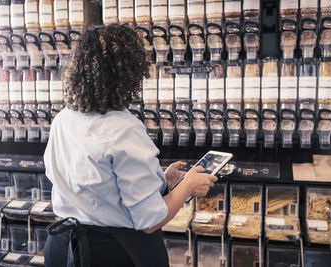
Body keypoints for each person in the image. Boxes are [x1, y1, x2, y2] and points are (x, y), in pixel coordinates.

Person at [43, 24, 217, 267]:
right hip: (113, 253)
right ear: (128, 72)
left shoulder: (63, 118)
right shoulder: (123, 128)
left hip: (63, 249)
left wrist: (162, 181)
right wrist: (187, 187)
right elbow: (149, 221)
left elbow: (97, 186)